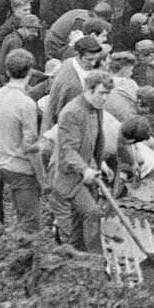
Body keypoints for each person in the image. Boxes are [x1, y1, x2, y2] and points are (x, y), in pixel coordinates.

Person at [50, 70, 113, 253]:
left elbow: (91, 140)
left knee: (78, 224)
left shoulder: (97, 109)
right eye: (101, 93)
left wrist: (100, 163)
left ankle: (78, 256)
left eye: (107, 94)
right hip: (67, 175)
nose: (104, 98)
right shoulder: (71, 112)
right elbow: (68, 150)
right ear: (89, 89)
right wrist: (85, 169)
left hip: (84, 173)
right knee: (92, 213)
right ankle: (94, 259)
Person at [0, 49, 43, 234]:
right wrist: (43, 179)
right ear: (30, 71)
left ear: (8, 72)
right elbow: (30, 145)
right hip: (23, 168)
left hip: (3, 162)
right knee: (30, 225)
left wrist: (1, 144)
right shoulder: (26, 104)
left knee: (21, 218)